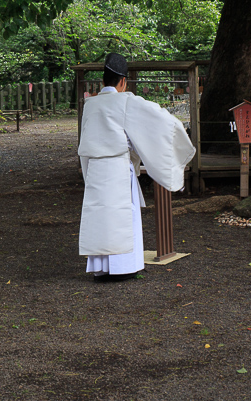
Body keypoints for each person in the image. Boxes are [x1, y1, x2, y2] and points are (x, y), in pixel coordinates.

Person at [78, 53, 196, 282]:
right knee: (123, 215)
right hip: (118, 168)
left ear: (104, 81)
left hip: (95, 170)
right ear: (122, 81)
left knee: (100, 215)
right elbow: (162, 121)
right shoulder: (126, 101)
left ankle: (101, 268)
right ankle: (123, 267)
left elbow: (85, 144)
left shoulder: (90, 105)